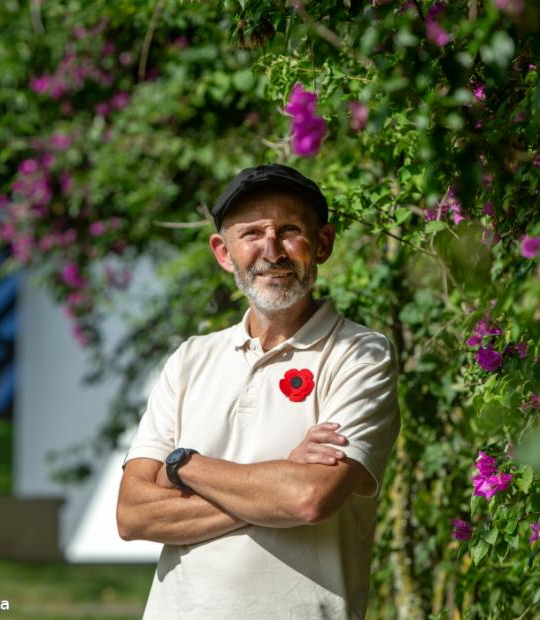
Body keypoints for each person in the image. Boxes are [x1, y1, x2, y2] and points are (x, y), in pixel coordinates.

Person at [116, 163, 401, 619]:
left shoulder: (361, 355)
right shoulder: (191, 359)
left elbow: (309, 499)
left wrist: (182, 465)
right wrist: (280, 478)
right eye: (251, 233)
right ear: (224, 252)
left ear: (322, 244)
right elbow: (133, 515)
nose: (272, 250)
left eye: (289, 231)